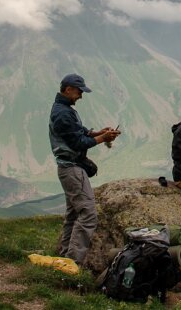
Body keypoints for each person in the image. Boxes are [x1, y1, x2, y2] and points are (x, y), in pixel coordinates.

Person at [49, 73, 120, 264]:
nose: (81, 95)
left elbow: (78, 132)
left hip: (68, 168)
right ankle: (73, 262)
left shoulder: (64, 109)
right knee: (88, 214)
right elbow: (77, 142)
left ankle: (64, 256)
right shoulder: (63, 113)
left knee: (73, 214)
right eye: (79, 91)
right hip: (72, 168)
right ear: (68, 89)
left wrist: (97, 133)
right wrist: (102, 138)